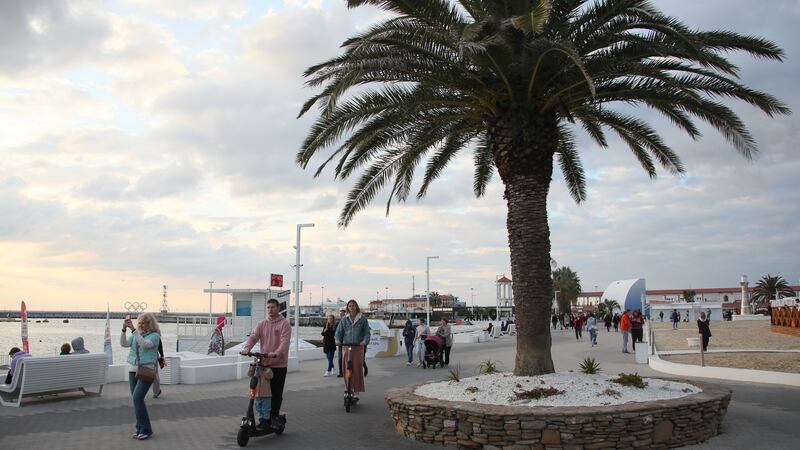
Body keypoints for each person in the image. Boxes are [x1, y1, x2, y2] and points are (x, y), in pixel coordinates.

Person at [241, 298, 291, 428]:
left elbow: (284, 342)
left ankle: (274, 416)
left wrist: (276, 353)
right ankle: (264, 417)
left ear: (278, 308)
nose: (270, 310)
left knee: (276, 393)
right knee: (261, 393)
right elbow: (253, 337)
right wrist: (247, 348)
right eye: (268, 307)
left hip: (278, 364)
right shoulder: (262, 323)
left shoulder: (284, 324)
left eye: (273, 307)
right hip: (264, 364)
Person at [120, 313, 161, 440]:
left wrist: (133, 330)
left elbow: (145, 344)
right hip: (133, 369)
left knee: (138, 398)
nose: (141, 325)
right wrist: (123, 330)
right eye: (140, 323)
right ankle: (139, 428)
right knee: (136, 400)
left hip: (146, 369)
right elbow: (124, 344)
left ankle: (146, 429)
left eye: (144, 323)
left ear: (150, 324)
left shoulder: (155, 336)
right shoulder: (137, 334)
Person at [334, 299, 371, 400]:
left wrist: (364, 341)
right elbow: (338, 332)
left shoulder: (362, 319)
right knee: (347, 368)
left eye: (353, 305)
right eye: (349, 306)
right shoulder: (344, 319)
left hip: (358, 347)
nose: (351, 307)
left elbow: (367, 333)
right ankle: (349, 388)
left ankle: (357, 390)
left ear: (356, 307)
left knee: (357, 369)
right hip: (346, 346)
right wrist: (337, 340)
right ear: (347, 308)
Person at [247, 354, 274, 429]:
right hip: (257, 394)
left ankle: (266, 422)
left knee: (265, 409)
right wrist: (253, 366)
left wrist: (265, 367)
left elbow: (270, 376)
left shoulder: (267, 369)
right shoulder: (256, 370)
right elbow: (249, 374)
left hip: (266, 394)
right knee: (258, 408)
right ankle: (261, 421)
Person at [336, 307, 346, 378]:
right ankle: (341, 372)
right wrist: (337, 339)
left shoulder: (348, 321)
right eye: (340, 312)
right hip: (340, 343)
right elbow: (336, 333)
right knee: (340, 358)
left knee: (348, 358)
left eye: (343, 312)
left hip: (348, 342)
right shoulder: (338, 323)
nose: (341, 313)